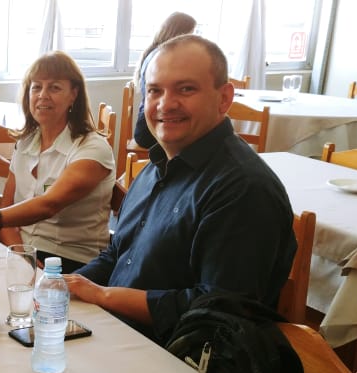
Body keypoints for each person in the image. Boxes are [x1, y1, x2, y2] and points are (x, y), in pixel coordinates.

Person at [65, 35, 296, 344]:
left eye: (186, 89)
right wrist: (65, 284)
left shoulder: (243, 189)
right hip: (114, 334)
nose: (165, 104)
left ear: (224, 98)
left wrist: (104, 296)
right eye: (154, 90)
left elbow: (219, 311)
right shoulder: (154, 168)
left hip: (179, 362)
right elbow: (118, 254)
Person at [0, 51, 115, 272]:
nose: (43, 95)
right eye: (36, 87)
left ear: (74, 94)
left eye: (55, 87)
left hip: (71, 260)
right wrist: (19, 250)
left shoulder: (92, 148)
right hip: (24, 249)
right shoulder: (26, 142)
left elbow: (49, 205)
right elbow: (7, 209)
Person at [133, 12, 197, 151]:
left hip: (145, 127)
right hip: (152, 132)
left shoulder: (154, 52)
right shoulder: (165, 59)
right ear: (180, 34)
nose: (192, 40)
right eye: (191, 34)